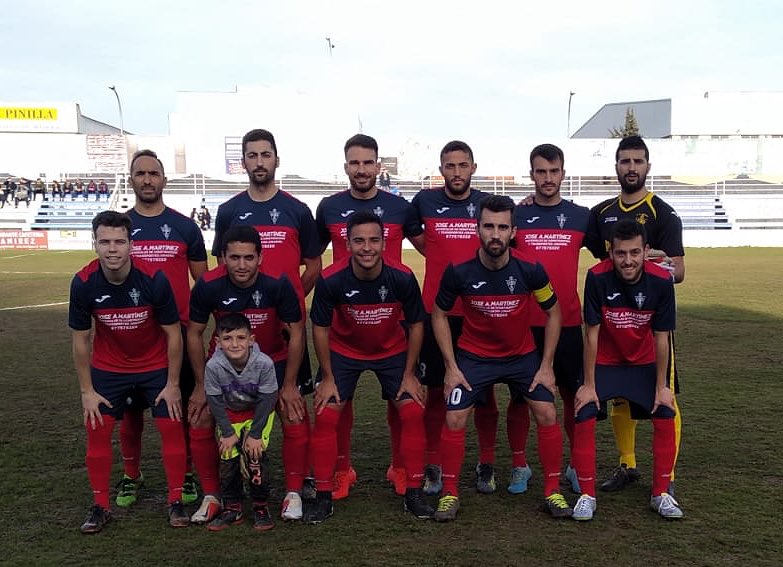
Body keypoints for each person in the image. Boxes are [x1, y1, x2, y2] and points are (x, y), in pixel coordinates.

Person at [431, 194, 571, 522]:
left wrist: (546, 366)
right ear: (477, 229)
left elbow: (554, 313)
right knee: (454, 417)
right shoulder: (459, 271)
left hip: (521, 357)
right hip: (474, 357)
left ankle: (552, 491)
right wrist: (451, 367)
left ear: (513, 231)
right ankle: (449, 493)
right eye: (489, 226)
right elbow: (438, 314)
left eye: (503, 227)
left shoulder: (530, 269)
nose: (495, 234)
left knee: (547, 412)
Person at [210, 128, 320, 516]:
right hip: (239, 337)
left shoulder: (297, 210)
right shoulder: (229, 211)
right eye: (252, 155)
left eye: (265, 154)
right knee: (232, 406)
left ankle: (298, 483)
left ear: (276, 159)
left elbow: (314, 266)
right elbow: (220, 265)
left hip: (284, 331)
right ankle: (233, 483)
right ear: (243, 162)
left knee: (293, 405)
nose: (259, 162)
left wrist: (288, 303)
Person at [314, 133, 424, 499]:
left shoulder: (400, 207)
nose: (361, 169)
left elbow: (433, 247)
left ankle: (401, 467)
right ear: (345, 166)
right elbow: (312, 257)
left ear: (378, 166)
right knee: (336, 404)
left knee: (403, 401)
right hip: (344, 323)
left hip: (390, 324)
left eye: (367, 163)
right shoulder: (328, 207)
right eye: (354, 163)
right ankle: (341, 470)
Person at [305, 211, 432, 523]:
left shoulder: (402, 276)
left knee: (412, 410)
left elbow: (417, 324)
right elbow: (319, 328)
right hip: (344, 352)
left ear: (384, 243)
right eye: (359, 240)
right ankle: (323, 495)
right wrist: (328, 377)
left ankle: (414, 490)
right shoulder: (331, 278)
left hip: (392, 351)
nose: (367, 247)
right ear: (347, 244)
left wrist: (409, 374)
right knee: (326, 412)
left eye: (374, 240)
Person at [69, 211, 188, 534]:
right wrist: (87, 391)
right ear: (94, 244)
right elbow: (81, 339)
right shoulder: (83, 282)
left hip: (155, 366)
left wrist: (173, 383)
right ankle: (100, 506)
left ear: (131, 245)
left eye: (119, 242)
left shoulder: (154, 278)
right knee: (97, 430)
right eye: (105, 241)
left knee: (171, 426)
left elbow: (173, 333)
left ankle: (175, 500)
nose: (112, 249)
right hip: (109, 369)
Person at [117, 150, 216, 518]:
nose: (147, 179)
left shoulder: (184, 227)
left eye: (153, 173)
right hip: (135, 335)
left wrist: (210, 323)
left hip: (180, 333)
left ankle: (186, 472)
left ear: (164, 179)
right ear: (131, 179)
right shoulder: (120, 227)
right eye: (140, 173)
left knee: (184, 405)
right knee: (131, 412)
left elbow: (203, 282)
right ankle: (131, 474)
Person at [585, 135, 685, 493]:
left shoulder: (663, 213)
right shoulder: (600, 214)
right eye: (625, 161)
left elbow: (679, 271)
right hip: (612, 321)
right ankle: (627, 464)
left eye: (638, 161)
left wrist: (658, 260)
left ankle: (666, 480)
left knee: (664, 395)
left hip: (649, 322)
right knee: (620, 397)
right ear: (616, 166)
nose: (631, 168)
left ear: (647, 166)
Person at [189, 225, 307, 524]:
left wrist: (289, 384)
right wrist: (201, 385)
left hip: (271, 362)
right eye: (234, 257)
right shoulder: (208, 285)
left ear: (260, 258)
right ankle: (212, 496)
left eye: (248, 257)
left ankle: (293, 493)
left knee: (293, 412)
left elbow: (296, 332)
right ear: (223, 258)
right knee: (201, 416)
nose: (241, 265)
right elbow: (194, 333)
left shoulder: (277, 284)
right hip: (224, 366)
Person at [571, 219, 682, 520]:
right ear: (611, 253)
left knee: (665, 410)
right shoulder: (596, 277)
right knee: (584, 410)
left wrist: (661, 386)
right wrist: (589, 384)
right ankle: (586, 495)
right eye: (621, 253)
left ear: (646, 251)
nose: (628, 260)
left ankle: (660, 493)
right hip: (605, 362)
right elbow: (591, 333)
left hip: (643, 362)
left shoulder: (661, 281)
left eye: (635, 252)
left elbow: (662, 337)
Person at [508, 143, 591, 495]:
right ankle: (519, 465)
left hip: (568, 322)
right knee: (520, 397)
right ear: (531, 175)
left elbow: (614, 253)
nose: (547, 178)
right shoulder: (516, 215)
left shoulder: (580, 216)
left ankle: (575, 465)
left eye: (553, 171)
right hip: (524, 324)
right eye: (541, 171)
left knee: (573, 395)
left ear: (563, 173)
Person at [409, 140, 490, 496]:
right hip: (436, 312)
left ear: (473, 167)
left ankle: (486, 461)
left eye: (463, 165)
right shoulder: (424, 202)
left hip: (478, 313)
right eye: (450, 166)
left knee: (484, 392)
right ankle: (434, 463)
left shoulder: (487, 203)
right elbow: (420, 240)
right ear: (441, 169)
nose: (457, 172)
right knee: (435, 391)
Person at [204, 313, 279, 532]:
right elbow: (215, 400)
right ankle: (232, 506)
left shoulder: (264, 363)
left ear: (251, 340)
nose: (235, 344)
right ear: (218, 342)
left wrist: (254, 434)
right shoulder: (213, 366)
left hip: (258, 413)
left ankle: (260, 506)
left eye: (241, 338)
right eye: (227, 338)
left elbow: (268, 399)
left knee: (254, 456)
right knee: (227, 456)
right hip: (230, 413)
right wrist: (227, 433)